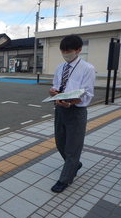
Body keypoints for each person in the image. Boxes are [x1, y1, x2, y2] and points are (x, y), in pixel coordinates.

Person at [48, 34, 95, 193]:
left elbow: (87, 94)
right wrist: (53, 91)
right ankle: (75, 164)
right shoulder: (60, 67)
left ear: (79, 50)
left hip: (76, 111)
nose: (65, 53)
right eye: (63, 50)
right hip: (60, 108)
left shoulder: (87, 68)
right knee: (60, 142)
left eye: (68, 50)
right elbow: (56, 84)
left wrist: (70, 102)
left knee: (72, 147)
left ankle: (65, 179)